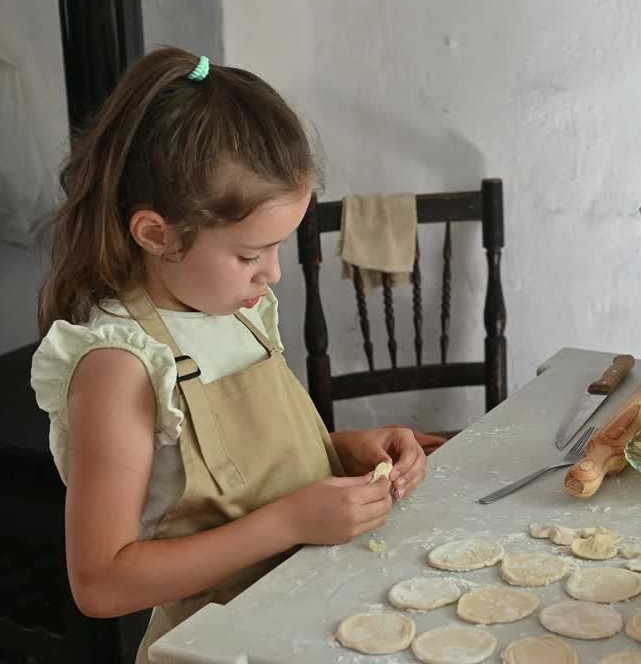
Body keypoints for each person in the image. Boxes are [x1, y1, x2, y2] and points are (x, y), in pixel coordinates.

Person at [30, 47, 442, 661]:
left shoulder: (238, 312)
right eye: (250, 255)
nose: (271, 275)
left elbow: (241, 464)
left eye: (278, 249)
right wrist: (291, 521)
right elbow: (101, 582)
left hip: (306, 620)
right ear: (156, 234)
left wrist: (339, 451)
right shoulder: (120, 364)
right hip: (217, 647)